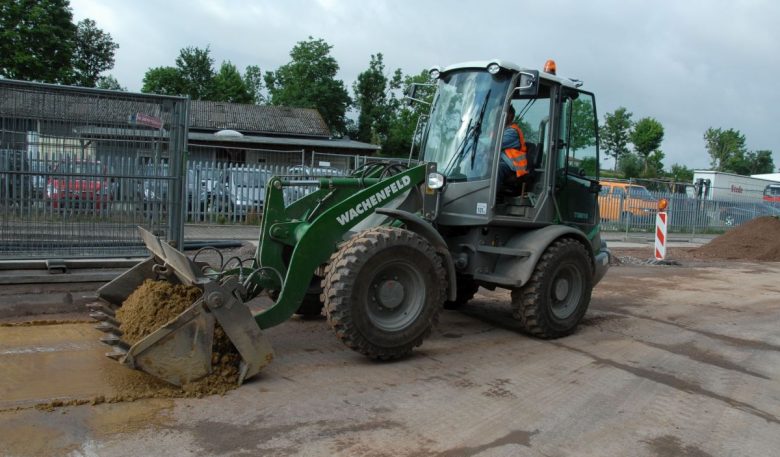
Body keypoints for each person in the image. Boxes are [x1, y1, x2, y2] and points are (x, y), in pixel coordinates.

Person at [498, 105, 529, 193]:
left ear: (510, 115)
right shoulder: (501, 130)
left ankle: (492, 197)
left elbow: (493, 144)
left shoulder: (512, 132)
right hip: (505, 162)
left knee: (497, 168)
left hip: (513, 166)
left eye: (502, 113)